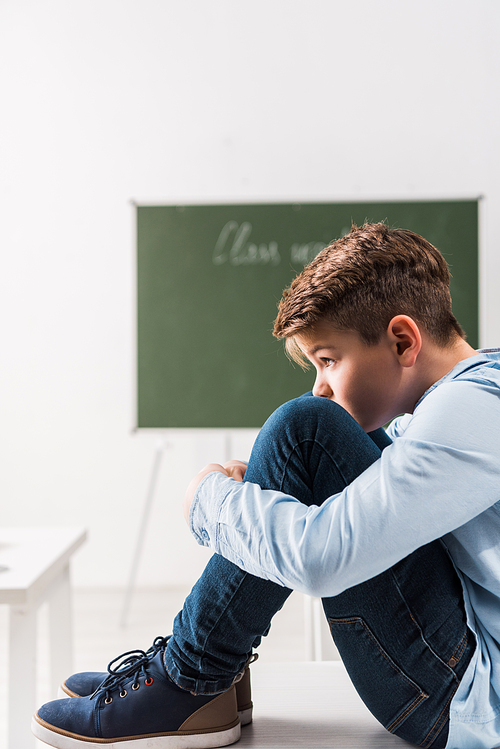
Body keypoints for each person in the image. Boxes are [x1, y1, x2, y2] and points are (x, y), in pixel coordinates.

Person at [32, 223, 500, 749]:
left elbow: (324, 557)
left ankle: (192, 677)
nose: (321, 384)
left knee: (305, 428)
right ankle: (206, 673)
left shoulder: (475, 410)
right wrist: (256, 485)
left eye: (328, 359)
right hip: (461, 664)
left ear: (402, 340)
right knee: (307, 435)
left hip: (467, 700)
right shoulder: (453, 407)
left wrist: (209, 501)